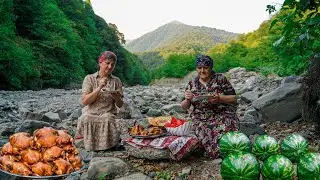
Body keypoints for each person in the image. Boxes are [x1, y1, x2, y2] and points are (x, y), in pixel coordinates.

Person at [180, 54, 239, 159]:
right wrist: (187, 99)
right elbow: (184, 107)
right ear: (196, 68)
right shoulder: (192, 83)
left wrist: (220, 98)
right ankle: (217, 152)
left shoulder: (220, 79)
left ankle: (231, 149)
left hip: (222, 113)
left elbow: (234, 98)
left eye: (205, 68)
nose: (202, 71)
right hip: (201, 117)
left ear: (211, 68)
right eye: (199, 68)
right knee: (204, 131)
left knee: (228, 125)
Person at [75, 51, 124, 151]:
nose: (110, 67)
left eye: (112, 64)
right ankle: (89, 146)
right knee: (86, 118)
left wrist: (115, 96)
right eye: (107, 63)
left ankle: (108, 146)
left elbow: (120, 104)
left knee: (108, 119)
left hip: (108, 113)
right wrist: (99, 87)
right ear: (100, 63)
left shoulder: (116, 81)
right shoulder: (89, 78)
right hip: (91, 113)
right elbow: (85, 101)